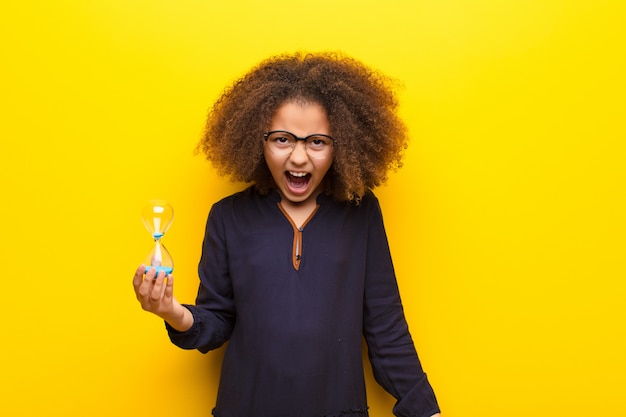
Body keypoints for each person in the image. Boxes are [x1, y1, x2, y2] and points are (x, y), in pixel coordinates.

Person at [133, 52, 441, 417]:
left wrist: (427, 412)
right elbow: (216, 322)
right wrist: (172, 311)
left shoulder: (361, 214)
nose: (298, 158)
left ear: (341, 145)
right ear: (256, 140)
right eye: (282, 139)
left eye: (317, 142)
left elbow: (387, 330)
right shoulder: (228, 217)